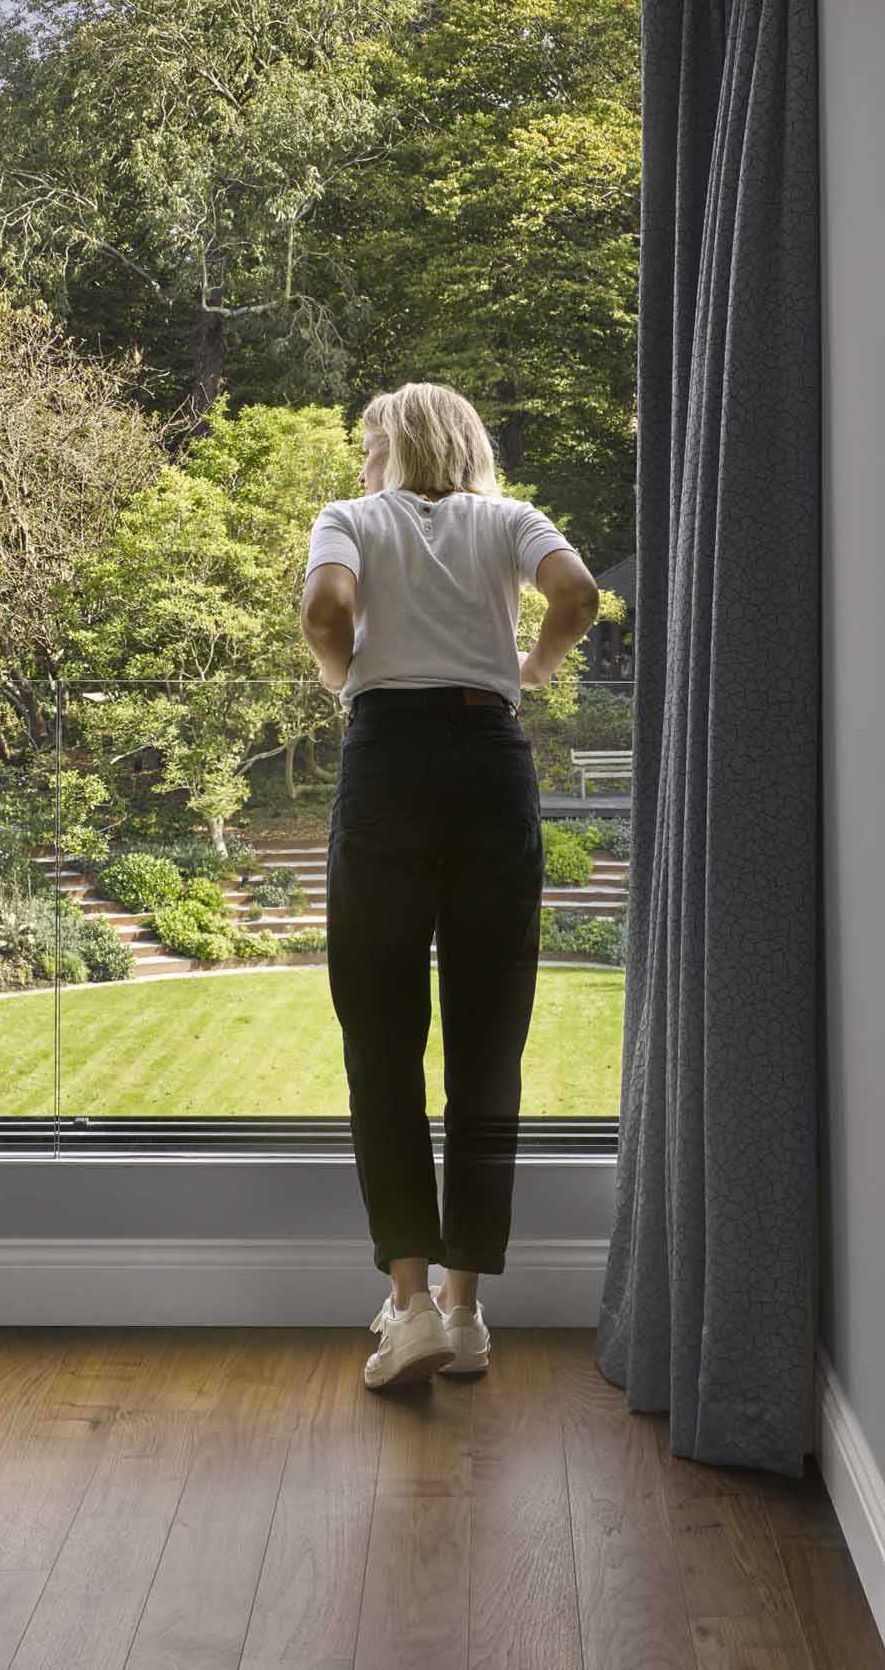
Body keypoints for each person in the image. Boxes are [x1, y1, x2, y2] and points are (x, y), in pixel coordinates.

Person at [299, 382, 600, 1390]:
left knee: (380, 1036)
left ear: (395, 447)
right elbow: (578, 594)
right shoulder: (510, 518)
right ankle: (467, 1315)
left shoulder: (351, 519)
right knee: (487, 1036)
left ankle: (410, 1301)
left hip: (386, 759)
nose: (360, 465)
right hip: (487, 757)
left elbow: (323, 610)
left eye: (368, 444)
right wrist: (534, 668)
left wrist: (349, 682)